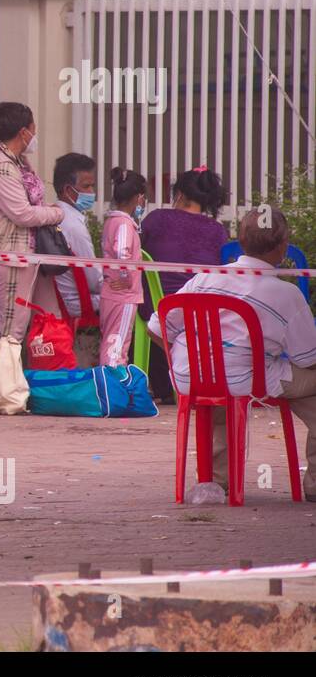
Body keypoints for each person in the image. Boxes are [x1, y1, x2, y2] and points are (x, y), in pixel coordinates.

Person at [147, 208, 316, 502]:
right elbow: (307, 359)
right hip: (245, 380)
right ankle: (314, 484)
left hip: (190, 378)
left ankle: (217, 481)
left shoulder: (203, 279)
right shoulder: (286, 294)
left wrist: (196, 361)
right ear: (283, 247)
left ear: (240, 241)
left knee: (227, 393)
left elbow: (156, 329)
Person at [139, 166, 230, 401]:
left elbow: (135, 253)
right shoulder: (218, 231)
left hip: (154, 309)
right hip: (201, 315)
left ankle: (157, 385)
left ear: (178, 194)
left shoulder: (156, 219)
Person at [0, 102, 64, 342]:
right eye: (33, 127)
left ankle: (41, 376)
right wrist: (57, 213)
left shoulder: (19, 162)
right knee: (11, 328)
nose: (35, 132)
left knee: (48, 321)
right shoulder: (2, 168)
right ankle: (3, 378)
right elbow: (23, 214)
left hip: (31, 253)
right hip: (12, 255)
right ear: (23, 132)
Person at [100, 168, 147, 367]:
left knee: (110, 340)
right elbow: (123, 252)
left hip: (111, 294)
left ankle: (109, 384)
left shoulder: (112, 221)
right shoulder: (124, 224)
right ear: (138, 198)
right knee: (118, 345)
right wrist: (127, 278)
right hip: (124, 295)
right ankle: (114, 386)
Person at [52, 152, 101, 321]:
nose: (92, 192)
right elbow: (94, 282)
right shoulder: (73, 226)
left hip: (62, 299)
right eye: (87, 186)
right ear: (67, 190)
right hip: (80, 302)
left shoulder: (54, 213)